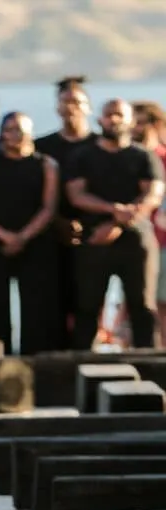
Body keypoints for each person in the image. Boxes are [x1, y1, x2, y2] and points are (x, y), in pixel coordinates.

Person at [66, 98, 165, 350]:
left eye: (120, 115)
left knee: (142, 307)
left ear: (131, 121)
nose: (114, 120)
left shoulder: (143, 157)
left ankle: (148, 367)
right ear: (100, 119)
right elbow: (76, 194)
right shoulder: (83, 156)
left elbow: (153, 194)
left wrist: (119, 223)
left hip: (137, 242)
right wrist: (113, 210)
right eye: (109, 115)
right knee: (87, 306)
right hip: (94, 241)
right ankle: (81, 364)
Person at [0, 112, 60, 354]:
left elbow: (48, 207)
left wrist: (22, 237)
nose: (15, 134)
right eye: (9, 129)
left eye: (20, 129)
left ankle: (35, 357)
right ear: (1, 132)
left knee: (36, 306)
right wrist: (4, 236)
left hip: (35, 241)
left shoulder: (46, 165)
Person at [35, 77, 96, 348]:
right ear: (57, 108)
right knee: (51, 302)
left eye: (76, 101)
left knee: (89, 301)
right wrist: (58, 222)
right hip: (51, 235)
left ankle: (87, 352)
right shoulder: (42, 147)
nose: (71, 107)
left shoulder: (100, 146)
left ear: (88, 107)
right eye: (65, 102)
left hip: (95, 237)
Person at [132, 101, 166, 343]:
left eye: (141, 122)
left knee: (161, 303)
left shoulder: (163, 157)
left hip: (163, 243)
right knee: (140, 304)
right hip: (135, 242)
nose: (135, 128)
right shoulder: (130, 158)